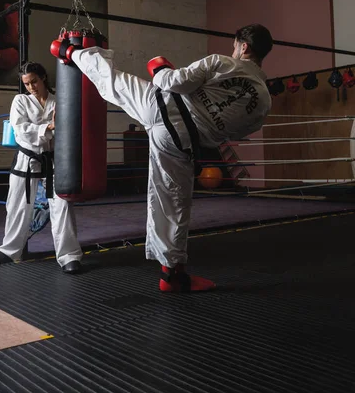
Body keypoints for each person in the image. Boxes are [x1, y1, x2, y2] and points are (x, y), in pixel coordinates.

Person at [50, 24, 273, 290]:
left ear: (244, 47)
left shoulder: (221, 62)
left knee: (111, 81)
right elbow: (233, 132)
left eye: (235, 45)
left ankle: (70, 51)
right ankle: (172, 274)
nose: (233, 50)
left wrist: (160, 68)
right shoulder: (263, 103)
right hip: (182, 141)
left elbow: (170, 82)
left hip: (160, 106)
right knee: (174, 205)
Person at [0, 61, 83, 274]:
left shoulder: (60, 102)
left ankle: (69, 255)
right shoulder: (20, 101)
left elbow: (67, 132)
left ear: (43, 78)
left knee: (62, 205)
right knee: (18, 205)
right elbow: (21, 131)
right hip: (26, 160)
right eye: (27, 84)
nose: (31, 87)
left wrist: (54, 129)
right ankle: (10, 250)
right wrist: (49, 126)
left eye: (34, 82)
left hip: (53, 161)